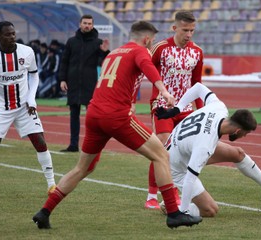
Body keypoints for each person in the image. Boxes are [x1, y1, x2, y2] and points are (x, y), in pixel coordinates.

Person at [32, 21, 202, 229]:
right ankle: (174, 213)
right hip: (115, 115)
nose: (152, 45)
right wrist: (164, 91)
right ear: (147, 39)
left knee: (82, 168)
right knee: (161, 155)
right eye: (152, 41)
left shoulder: (113, 53)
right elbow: (148, 67)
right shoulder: (139, 51)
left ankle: (45, 211)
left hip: (94, 113)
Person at [156, 82, 261, 217]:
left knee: (238, 153)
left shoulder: (219, 108)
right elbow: (189, 178)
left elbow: (198, 88)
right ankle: (174, 207)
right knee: (210, 210)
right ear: (237, 130)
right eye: (245, 133)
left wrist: (178, 108)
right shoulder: (205, 145)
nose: (245, 136)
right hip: (176, 165)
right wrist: (183, 212)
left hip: (184, 145)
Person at [0, 21, 56, 200]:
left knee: (40, 141)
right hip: (1, 108)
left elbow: (33, 74)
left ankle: (52, 185)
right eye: (7, 34)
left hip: (24, 107)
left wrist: (31, 99)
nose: (12, 37)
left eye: (13, 34)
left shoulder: (27, 52)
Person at [145, 10, 204, 209]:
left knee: (184, 152)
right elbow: (143, 68)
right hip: (161, 106)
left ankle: (174, 193)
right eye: (185, 30)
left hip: (185, 109)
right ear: (175, 28)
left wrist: (200, 111)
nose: (189, 34)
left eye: (192, 30)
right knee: (161, 148)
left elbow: (197, 83)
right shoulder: (160, 48)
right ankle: (151, 196)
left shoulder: (197, 52)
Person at [59, 14, 110, 152]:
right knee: (73, 114)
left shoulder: (98, 42)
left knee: (91, 115)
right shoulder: (71, 42)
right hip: (73, 82)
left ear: (92, 25)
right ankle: (73, 145)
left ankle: (91, 145)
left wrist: (105, 53)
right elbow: (65, 61)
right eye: (85, 23)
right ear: (80, 24)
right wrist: (63, 79)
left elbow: (103, 62)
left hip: (90, 83)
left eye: (89, 23)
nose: (87, 25)